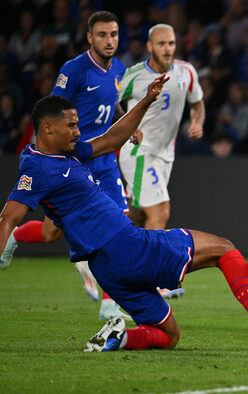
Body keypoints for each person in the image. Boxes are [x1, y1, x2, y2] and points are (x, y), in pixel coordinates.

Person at [0, 76, 248, 352]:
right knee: (224, 248)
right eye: (71, 125)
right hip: (127, 247)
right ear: (46, 127)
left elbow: (111, 139)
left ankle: (120, 338)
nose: (77, 131)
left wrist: (147, 101)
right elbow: (8, 217)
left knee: (169, 335)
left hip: (107, 269)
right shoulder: (37, 168)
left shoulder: (62, 153)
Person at [1, 11, 131, 319]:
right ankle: (16, 237)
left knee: (119, 226)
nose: (109, 40)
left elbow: (112, 102)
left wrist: (126, 122)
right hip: (73, 160)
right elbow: (51, 112)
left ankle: (110, 304)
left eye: (113, 34)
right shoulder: (74, 70)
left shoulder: (120, 68)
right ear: (89, 37)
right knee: (51, 233)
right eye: (102, 35)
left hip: (105, 159)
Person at [118, 24, 204, 231]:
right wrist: (128, 126)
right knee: (160, 211)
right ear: (150, 46)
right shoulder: (134, 75)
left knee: (136, 215)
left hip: (165, 156)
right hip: (139, 151)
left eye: (171, 43)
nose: (167, 49)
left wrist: (196, 122)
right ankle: (151, 263)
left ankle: (105, 253)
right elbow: (111, 103)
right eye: (162, 44)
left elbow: (197, 103)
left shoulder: (186, 72)